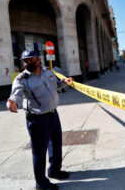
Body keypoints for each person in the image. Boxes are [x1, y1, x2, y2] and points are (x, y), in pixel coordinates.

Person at [6, 50, 74, 190]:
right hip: (37, 119)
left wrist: (64, 82)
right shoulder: (21, 79)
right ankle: (41, 183)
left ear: (38, 59)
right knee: (39, 151)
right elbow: (16, 95)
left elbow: (55, 85)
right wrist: (12, 102)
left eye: (31, 60)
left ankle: (54, 170)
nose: (28, 63)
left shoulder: (47, 71)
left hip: (53, 114)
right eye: (25, 61)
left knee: (56, 144)